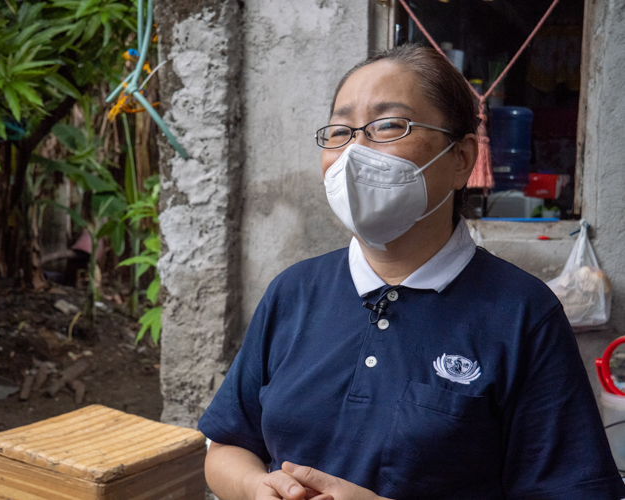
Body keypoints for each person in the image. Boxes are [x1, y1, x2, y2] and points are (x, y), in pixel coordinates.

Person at [198, 44, 625, 500]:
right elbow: (226, 444)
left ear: (461, 159)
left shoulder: (523, 314)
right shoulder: (293, 293)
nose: (355, 152)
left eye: (387, 125)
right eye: (340, 131)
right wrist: (255, 485)